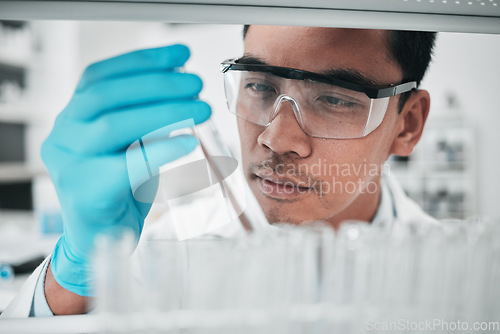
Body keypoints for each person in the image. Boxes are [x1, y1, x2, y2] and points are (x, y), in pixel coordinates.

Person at [2, 25, 437, 318]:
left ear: (408, 124)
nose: (277, 139)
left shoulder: (458, 277)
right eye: (261, 86)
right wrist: (75, 271)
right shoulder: (170, 250)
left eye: (337, 99)